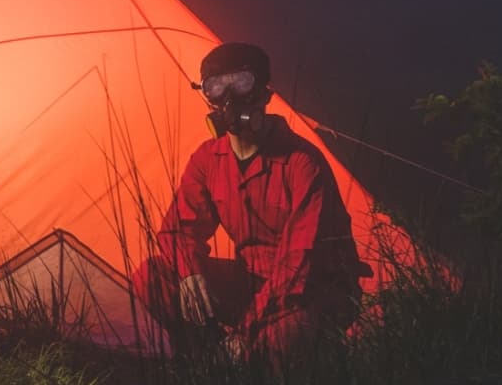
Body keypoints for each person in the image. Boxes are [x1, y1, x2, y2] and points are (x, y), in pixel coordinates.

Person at [139, 43, 364, 359]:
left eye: (243, 83)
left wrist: (246, 332)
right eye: (217, 87)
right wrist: (190, 273)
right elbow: (177, 230)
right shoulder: (208, 159)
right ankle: (204, 363)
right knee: (152, 277)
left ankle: (263, 372)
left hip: (312, 291)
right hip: (252, 282)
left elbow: (298, 267)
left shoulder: (302, 163)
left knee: (285, 336)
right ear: (207, 96)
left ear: (266, 92)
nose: (230, 99)